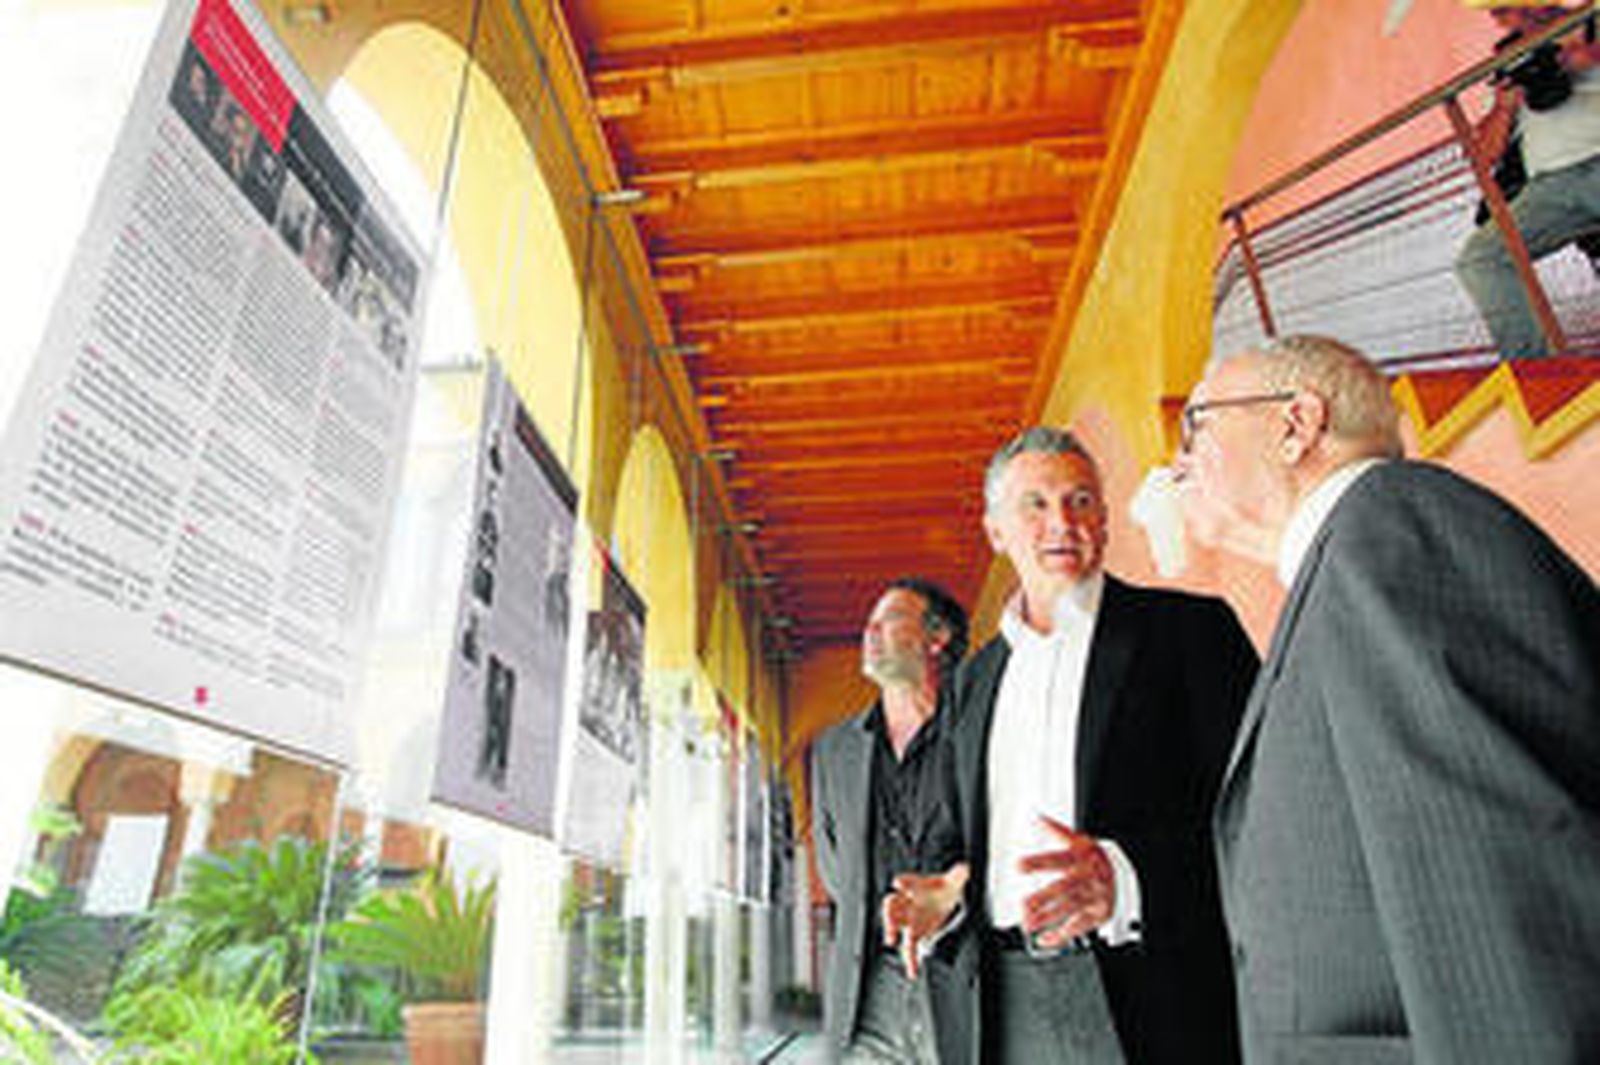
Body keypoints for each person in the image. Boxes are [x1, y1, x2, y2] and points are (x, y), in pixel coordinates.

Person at [1174, 334, 1600, 1063]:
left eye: (1197, 425)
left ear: (1294, 425)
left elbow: (1493, 896)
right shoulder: (1356, 555)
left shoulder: (1393, 531)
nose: (1177, 461)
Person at [912, 428, 1257, 1065]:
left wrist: (1127, 878)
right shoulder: (971, 683)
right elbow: (951, 836)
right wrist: (948, 887)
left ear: (1102, 516)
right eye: (1035, 505)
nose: (1062, 523)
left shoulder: (1189, 634)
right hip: (1000, 1001)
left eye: (1080, 501)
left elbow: (1260, 823)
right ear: (995, 531)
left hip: (1153, 992)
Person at [811, 578, 973, 1064]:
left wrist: (955, 889)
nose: (870, 631)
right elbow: (838, 871)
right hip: (868, 996)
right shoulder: (834, 749)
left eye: (890, 619)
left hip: (967, 977)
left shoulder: (980, 727)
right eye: (869, 623)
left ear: (937, 637)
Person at [1455, 1, 1600, 357]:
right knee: (1480, 258)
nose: (1498, 20)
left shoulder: (1590, 19)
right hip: (1550, 187)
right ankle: (1539, 372)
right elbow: (1482, 155)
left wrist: (1585, 56)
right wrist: (1505, 106)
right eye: (1494, 12)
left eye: (1503, 8)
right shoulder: (1509, 55)